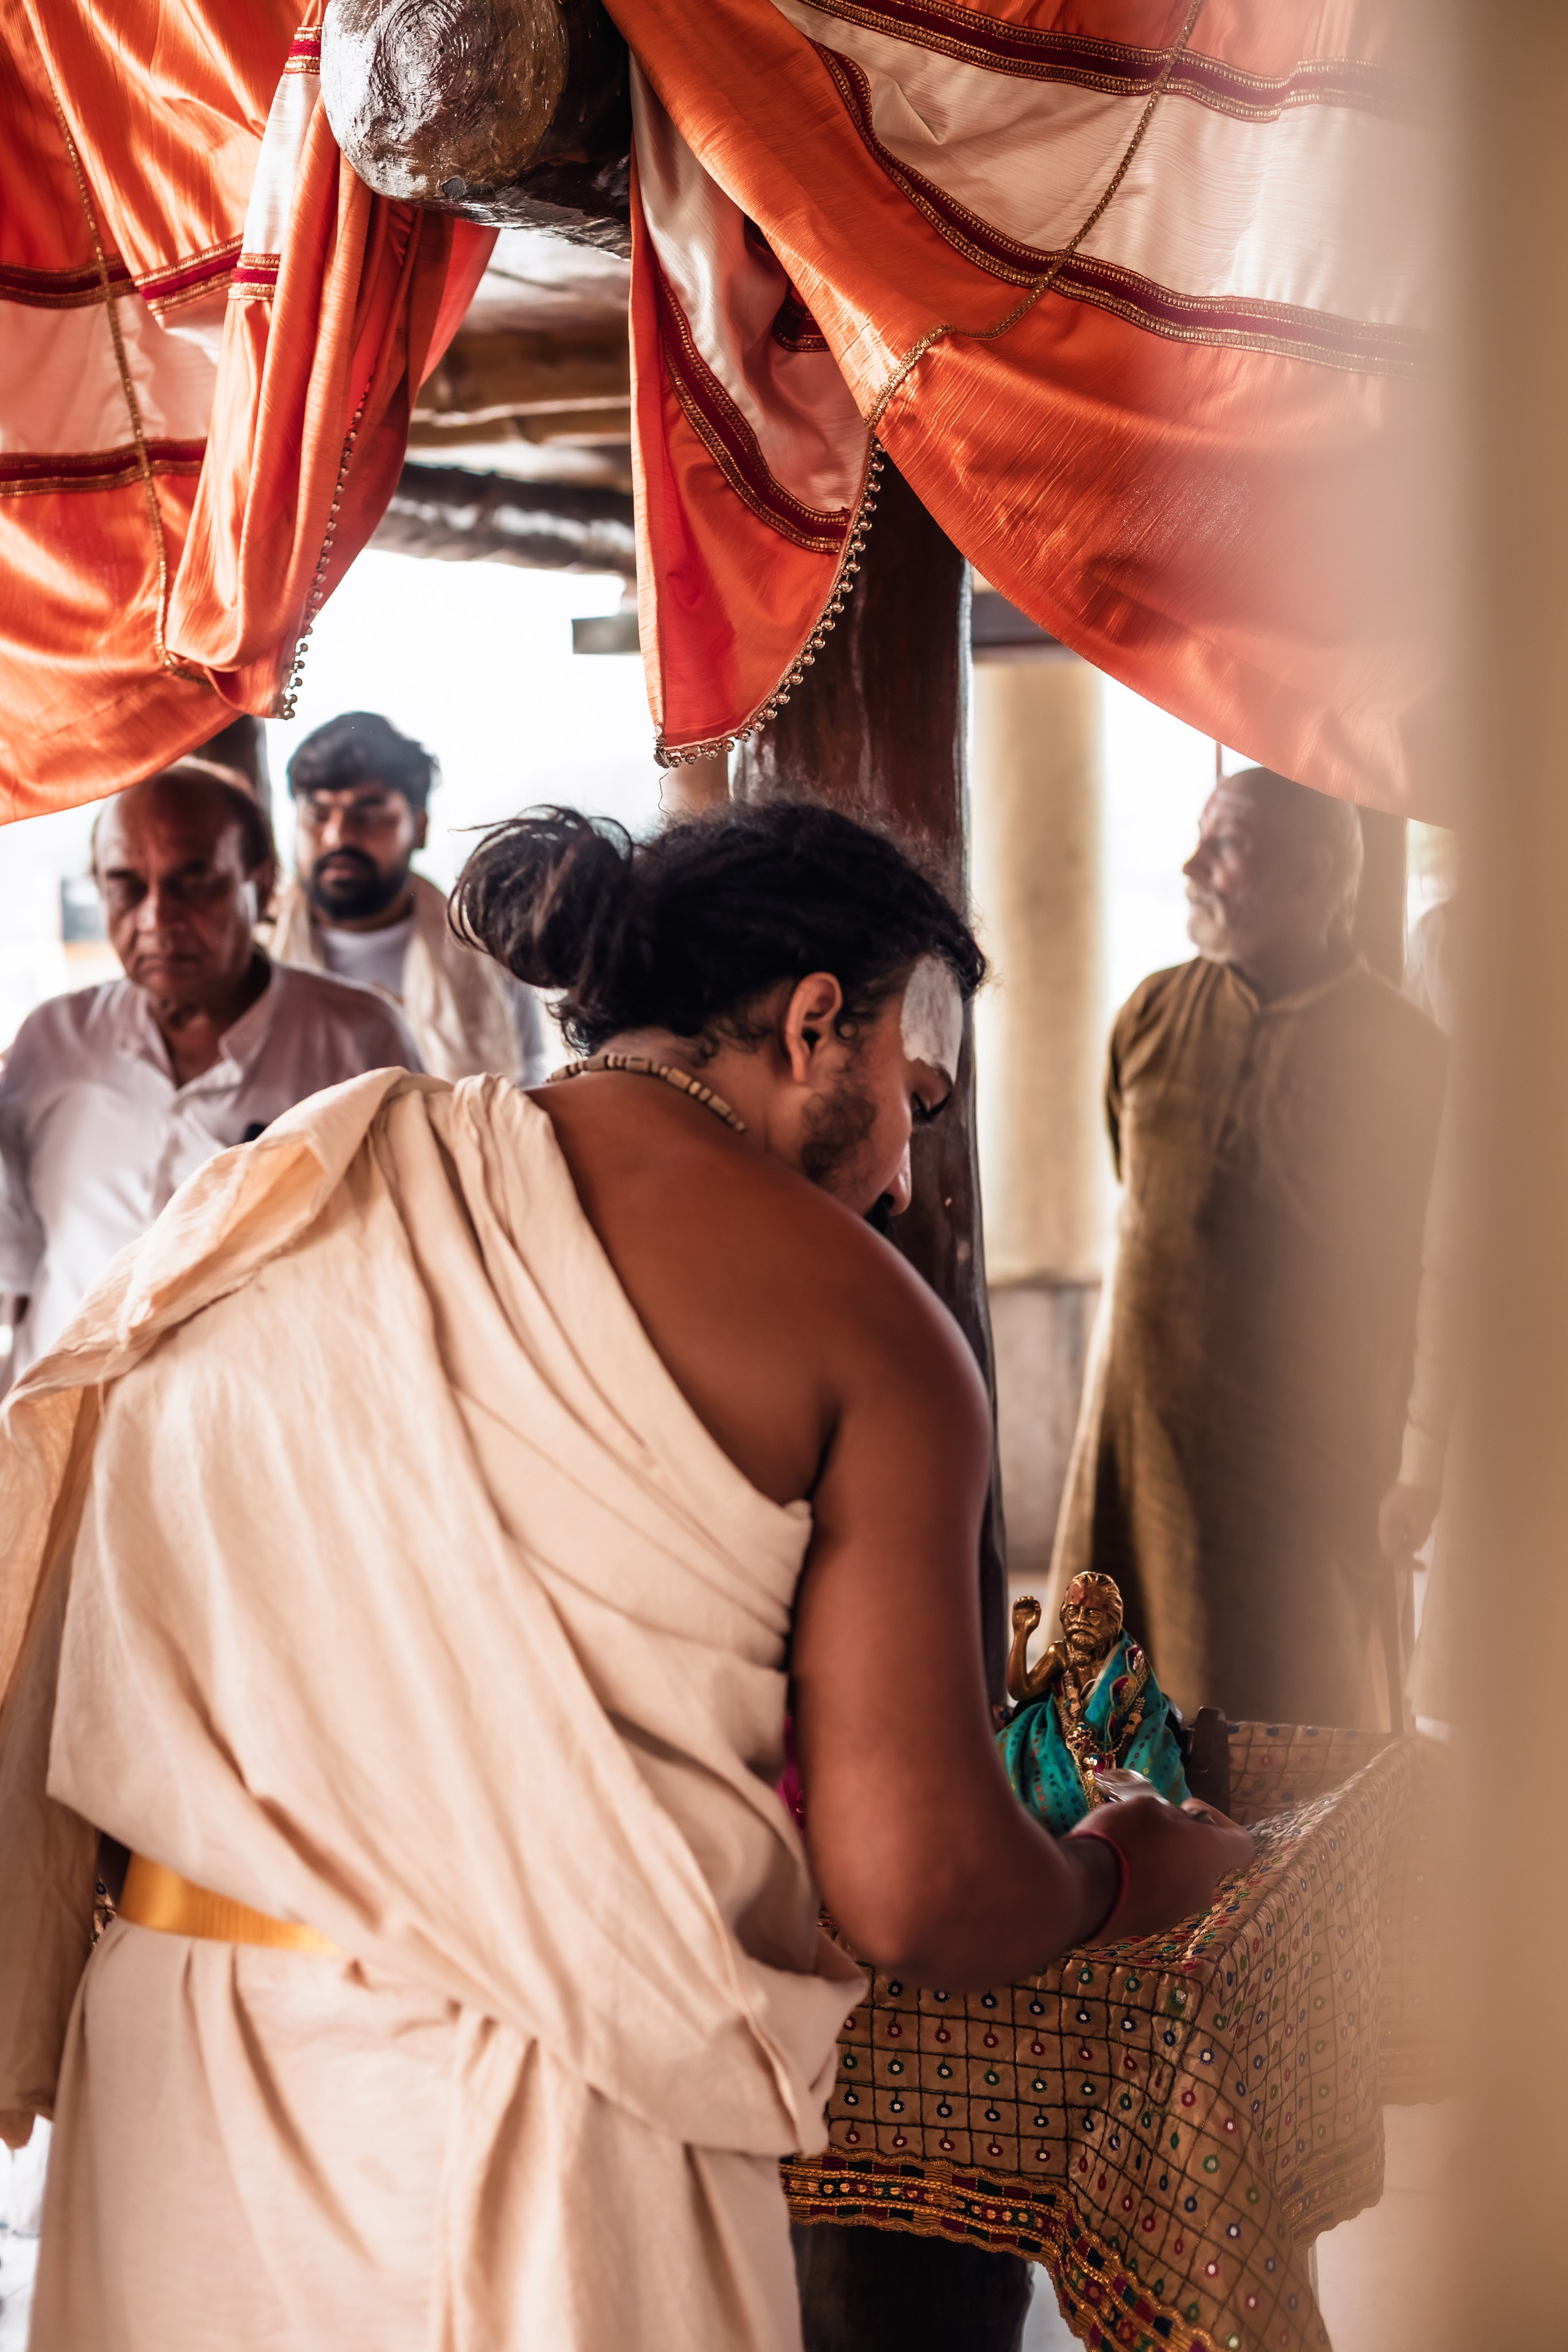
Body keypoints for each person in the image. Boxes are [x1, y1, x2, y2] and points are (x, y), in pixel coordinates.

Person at [0, 803, 1248, 2352]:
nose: (905, 1165)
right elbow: (916, 1881)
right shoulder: (864, 1322)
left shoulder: (300, 1191)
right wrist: (1126, 1870)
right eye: (910, 1092)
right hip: (521, 2119)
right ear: (814, 1029)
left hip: (182, 2073)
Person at [1047, 767, 1447, 1728]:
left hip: (1302, 1467)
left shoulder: (1403, 1054)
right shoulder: (1149, 1015)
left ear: (1313, 875)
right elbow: (1142, 1189)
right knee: (1105, 1716)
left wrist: (1421, 1459)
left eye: (1225, 847)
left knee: (1282, 1743)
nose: (1192, 867)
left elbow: (1434, 1270)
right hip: (1136, 1444)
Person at [0, 761, 420, 1376]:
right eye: (125, 887)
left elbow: (393, 1254)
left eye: (193, 883)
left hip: (247, 1429)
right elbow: (17, 1257)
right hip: (67, 1428)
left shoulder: (357, 1040)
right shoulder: (54, 1040)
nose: (156, 919)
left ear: (262, 881)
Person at [268, 710, 551, 1082]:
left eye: (367, 815)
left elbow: (521, 1100)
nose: (337, 837)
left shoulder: (488, 957)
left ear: (419, 829)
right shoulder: (255, 951)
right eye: (317, 815)